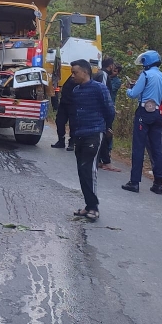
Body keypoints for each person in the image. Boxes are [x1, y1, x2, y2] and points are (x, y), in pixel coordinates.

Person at [68, 59, 115, 222]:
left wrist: (105, 127)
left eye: (75, 72)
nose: (72, 75)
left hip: (94, 133)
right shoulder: (76, 91)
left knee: (89, 169)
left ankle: (94, 208)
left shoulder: (99, 88)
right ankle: (88, 206)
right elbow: (74, 113)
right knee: (81, 170)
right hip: (79, 134)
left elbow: (110, 110)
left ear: (85, 72)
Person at [122, 50, 162, 194]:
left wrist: (129, 89)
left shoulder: (146, 75)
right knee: (157, 149)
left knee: (138, 148)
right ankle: (158, 183)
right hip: (157, 113)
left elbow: (133, 94)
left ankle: (134, 182)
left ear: (146, 62)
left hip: (144, 113)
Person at [98, 58, 123, 171]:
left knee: (102, 135)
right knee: (104, 134)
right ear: (110, 65)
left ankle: (101, 160)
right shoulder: (103, 75)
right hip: (102, 111)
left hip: (100, 111)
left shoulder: (102, 74)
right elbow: (103, 93)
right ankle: (106, 162)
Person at [51, 75, 77, 150]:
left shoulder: (80, 81)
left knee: (73, 124)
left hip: (73, 105)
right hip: (64, 104)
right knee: (59, 121)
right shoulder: (69, 78)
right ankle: (61, 141)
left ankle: (72, 143)